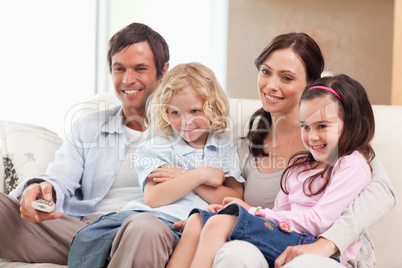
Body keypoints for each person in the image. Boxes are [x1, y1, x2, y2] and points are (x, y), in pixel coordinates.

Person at [209, 32, 395, 268]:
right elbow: (250, 202)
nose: (271, 85)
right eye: (266, 72)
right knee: (234, 253)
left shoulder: (342, 144)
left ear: (311, 85)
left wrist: (328, 242)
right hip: (273, 238)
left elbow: (383, 193)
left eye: (286, 78)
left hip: (325, 250)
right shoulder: (251, 144)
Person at [0, 22, 171, 265]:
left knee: (145, 228)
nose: (127, 79)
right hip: (85, 233)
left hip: (146, 232)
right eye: (119, 69)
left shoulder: (186, 131)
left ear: (163, 72)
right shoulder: (88, 126)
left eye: (140, 69)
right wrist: (41, 189)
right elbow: (60, 178)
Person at [167, 74, 375, 268]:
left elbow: (319, 221)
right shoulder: (299, 164)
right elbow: (279, 213)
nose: (311, 137)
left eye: (322, 126)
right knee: (197, 221)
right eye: (305, 126)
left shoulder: (352, 164)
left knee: (218, 224)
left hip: (315, 242)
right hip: (287, 234)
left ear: (351, 124)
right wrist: (247, 212)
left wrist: (251, 213)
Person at [67, 62, 245, 267]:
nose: (185, 122)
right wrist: (201, 175)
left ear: (213, 108)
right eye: (175, 113)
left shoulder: (224, 146)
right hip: (153, 219)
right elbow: (155, 198)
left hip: (195, 227)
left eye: (195, 111)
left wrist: (182, 176)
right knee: (145, 228)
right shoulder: (156, 146)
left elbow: (233, 199)